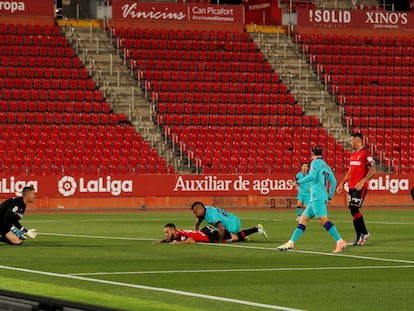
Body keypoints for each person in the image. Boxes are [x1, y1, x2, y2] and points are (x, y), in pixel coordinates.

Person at [277, 146, 347, 254]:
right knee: (303, 219)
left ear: (312, 154)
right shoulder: (327, 166)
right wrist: (329, 195)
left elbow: (312, 176)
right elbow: (333, 181)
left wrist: (299, 181)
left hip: (316, 196)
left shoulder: (315, 163)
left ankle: (340, 241)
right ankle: (291, 242)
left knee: (323, 220)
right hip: (319, 196)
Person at [336, 132, 376, 246]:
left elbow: (373, 170)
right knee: (353, 210)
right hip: (352, 187)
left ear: (358, 141)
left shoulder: (366, 154)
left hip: (360, 187)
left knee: (354, 208)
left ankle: (364, 233)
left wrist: (363, 181)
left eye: (351, 140)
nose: (350, 142)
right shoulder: (353, 155)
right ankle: (360, 237)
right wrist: (342, 183)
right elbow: (350, 172)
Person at [191, 201, 267, 242]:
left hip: (232, 225)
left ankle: (256, 229)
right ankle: (244, 236)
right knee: (212, 231)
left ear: (200, 209)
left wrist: (220, 242)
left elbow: (222, 229)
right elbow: (196, 225)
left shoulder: (211, 215)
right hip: (232, 218)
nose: (195, 214)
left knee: (228, 238)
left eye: (195, 212)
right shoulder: (204, 210)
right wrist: (196, 235)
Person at [156, 223, 267, 244]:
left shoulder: (179, 235)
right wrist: (162, 241)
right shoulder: (177, 233)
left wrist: (177, 243)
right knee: (234, 238)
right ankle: (244, 237)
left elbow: (191, 241)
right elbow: (172, 239)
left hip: (209, 236)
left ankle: (256, 229)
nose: (166, 234)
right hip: (205, 231)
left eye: (167, 232)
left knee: (235, 237)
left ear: (172, 230)